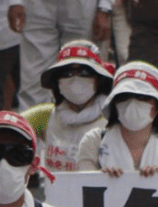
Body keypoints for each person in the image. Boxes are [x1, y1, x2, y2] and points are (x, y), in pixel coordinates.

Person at [76, 61, 158, 176]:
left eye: (143, 97)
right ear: (114, 104)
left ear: (157, 107)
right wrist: (102, 179)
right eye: (124, 96)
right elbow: (83, 183)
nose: (132, 103)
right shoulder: (94, 142)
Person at [7, 0, 112, 110]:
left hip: (81, 6)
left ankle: (84, 120)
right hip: (38, 5)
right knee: (33, 81)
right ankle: (34, 120)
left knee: (82, 76)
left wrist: (104, 7)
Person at [36, 40, 114, 173]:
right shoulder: (45, 115)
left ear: (99, 79)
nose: (75, 79)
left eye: (84, 73)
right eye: (67, 73)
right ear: (58, 82)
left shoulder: (115, 118)